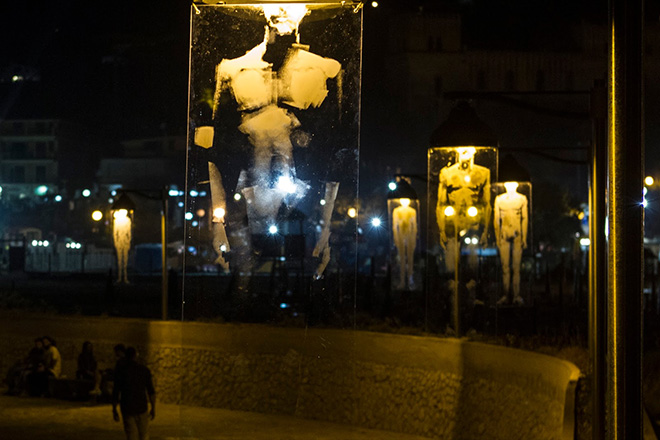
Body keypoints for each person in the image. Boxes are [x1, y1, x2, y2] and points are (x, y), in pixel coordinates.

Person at [112, 347, 156, 440]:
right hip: (141, 407)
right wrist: (153, 407)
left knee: (131, 435)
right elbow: (151, 391)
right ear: (136, 356)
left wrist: (114, 409)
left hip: (128, 408)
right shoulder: (144, 371)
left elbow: (116, 391)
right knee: (144, 435)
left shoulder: (121, 372)